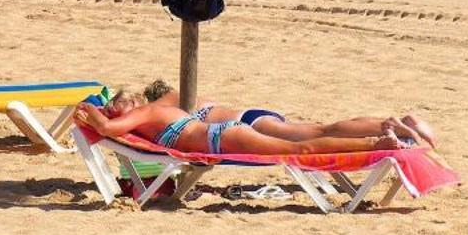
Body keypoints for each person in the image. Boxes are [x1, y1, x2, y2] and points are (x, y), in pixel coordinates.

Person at [73, 85, 428, 157]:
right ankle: (384, 130)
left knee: (302, 147)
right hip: (228, 131)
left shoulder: (145, 113)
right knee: (313, 135)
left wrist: (94, 113)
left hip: (224, 136)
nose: (121, 110)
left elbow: (106, 130)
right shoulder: (164, 106)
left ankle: (377, 140)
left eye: (121, 104)